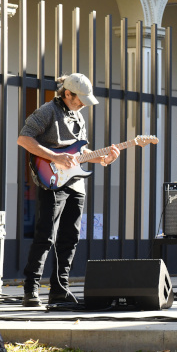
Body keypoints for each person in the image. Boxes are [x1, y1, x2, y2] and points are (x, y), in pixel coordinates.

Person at [18, 73, 120, 307]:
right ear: (67, 94)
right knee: (45, 237)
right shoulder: (47, 111)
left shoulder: (78, 116)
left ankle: (59, 289)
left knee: (70, 238)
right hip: (52, 179)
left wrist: (103, 159)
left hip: (76, 183)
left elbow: (78, 154)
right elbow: (24, 138)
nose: (84, 103)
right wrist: (55, 156)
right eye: (80, 99)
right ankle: (30, 289)